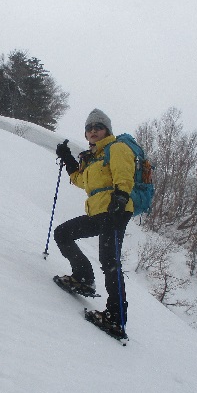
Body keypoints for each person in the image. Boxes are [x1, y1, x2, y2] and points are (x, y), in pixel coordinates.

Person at [54, 109, 135, 336]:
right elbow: (81, 181)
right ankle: (83, 278)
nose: (93, 131)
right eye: (89, 128)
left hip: (115, 210)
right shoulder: (94, 157)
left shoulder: (117, 148)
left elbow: (124, 174)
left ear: (107, 130)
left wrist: (120, 196)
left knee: (109, 261)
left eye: (98, 127)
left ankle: (116, 317)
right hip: (98, 212)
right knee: (63, 233)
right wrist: (68, 158)